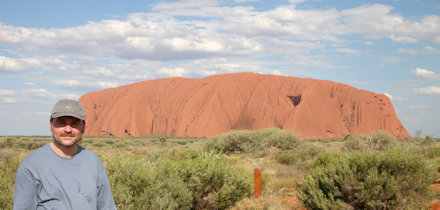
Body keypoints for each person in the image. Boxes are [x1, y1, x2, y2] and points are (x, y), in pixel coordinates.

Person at [13, 99, 117, 210]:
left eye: (75, 123)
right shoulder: (32, 165)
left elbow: (106, 206)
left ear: (83, 127)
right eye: (61, 123)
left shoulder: (93, 161)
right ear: (50, 125)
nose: (68, 129)